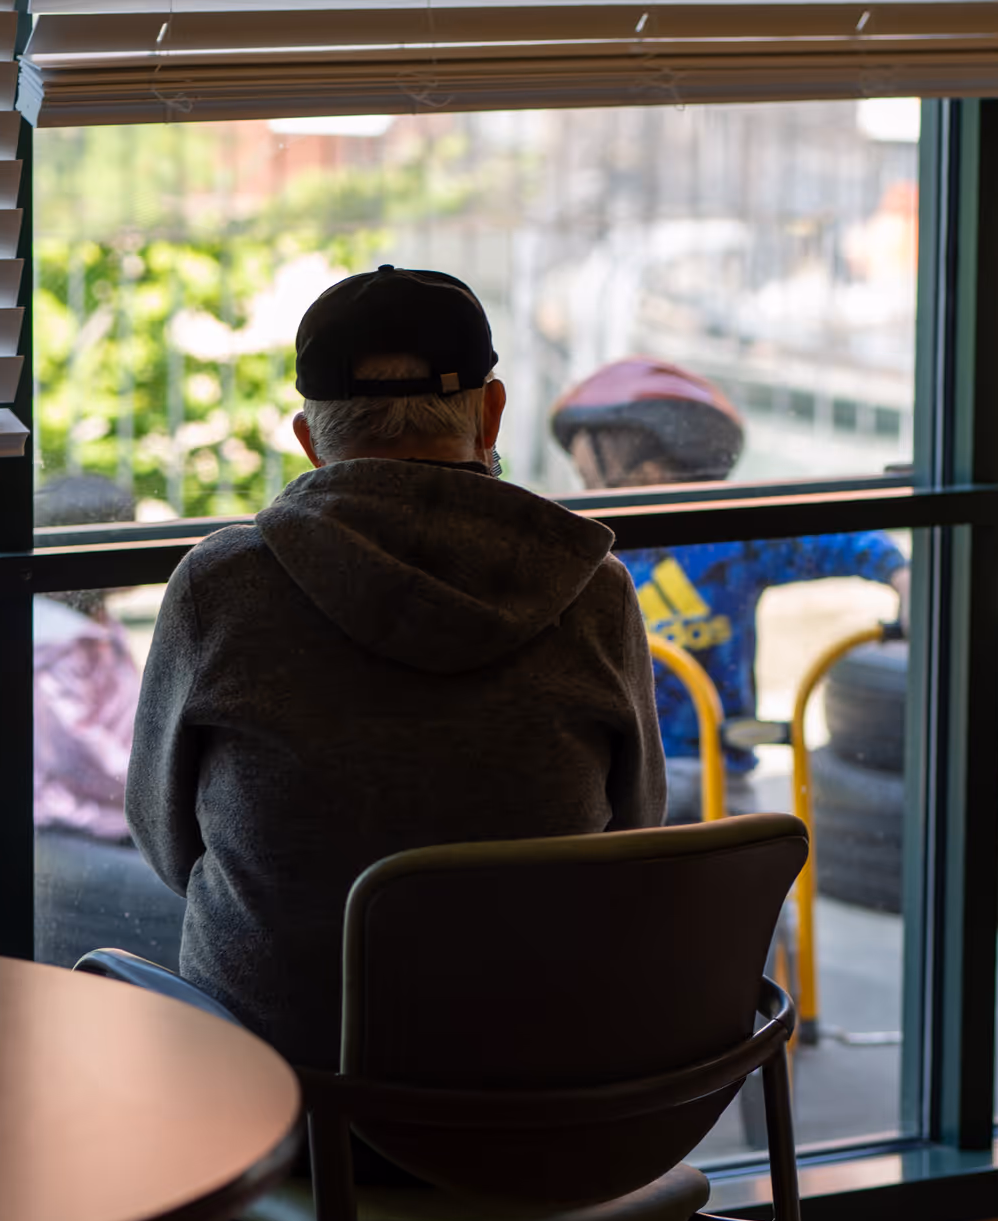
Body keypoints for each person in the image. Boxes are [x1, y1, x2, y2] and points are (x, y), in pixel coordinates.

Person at [127, 265, 667, 1070]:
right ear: (491, 413)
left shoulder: (223, 586)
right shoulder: (594, 589)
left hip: (290, 1093)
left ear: (309, 438)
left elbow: (166, 841)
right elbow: (635, 827)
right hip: (542, 1082)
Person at [552, 357, 910, 824]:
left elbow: (835, 537)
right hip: (626, 769)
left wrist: (902, 575)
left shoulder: (731, 538)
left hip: (718, 765)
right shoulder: (592, 550)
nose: (586, 497)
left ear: (651, 473)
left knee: (744, 856)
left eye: (591, 480)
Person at [32, 475, 185, 969]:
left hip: (118, 812)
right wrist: (154, 784)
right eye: (125, 531)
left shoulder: (93, 625)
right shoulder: (54, 643)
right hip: (73, 824)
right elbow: (79, 750)